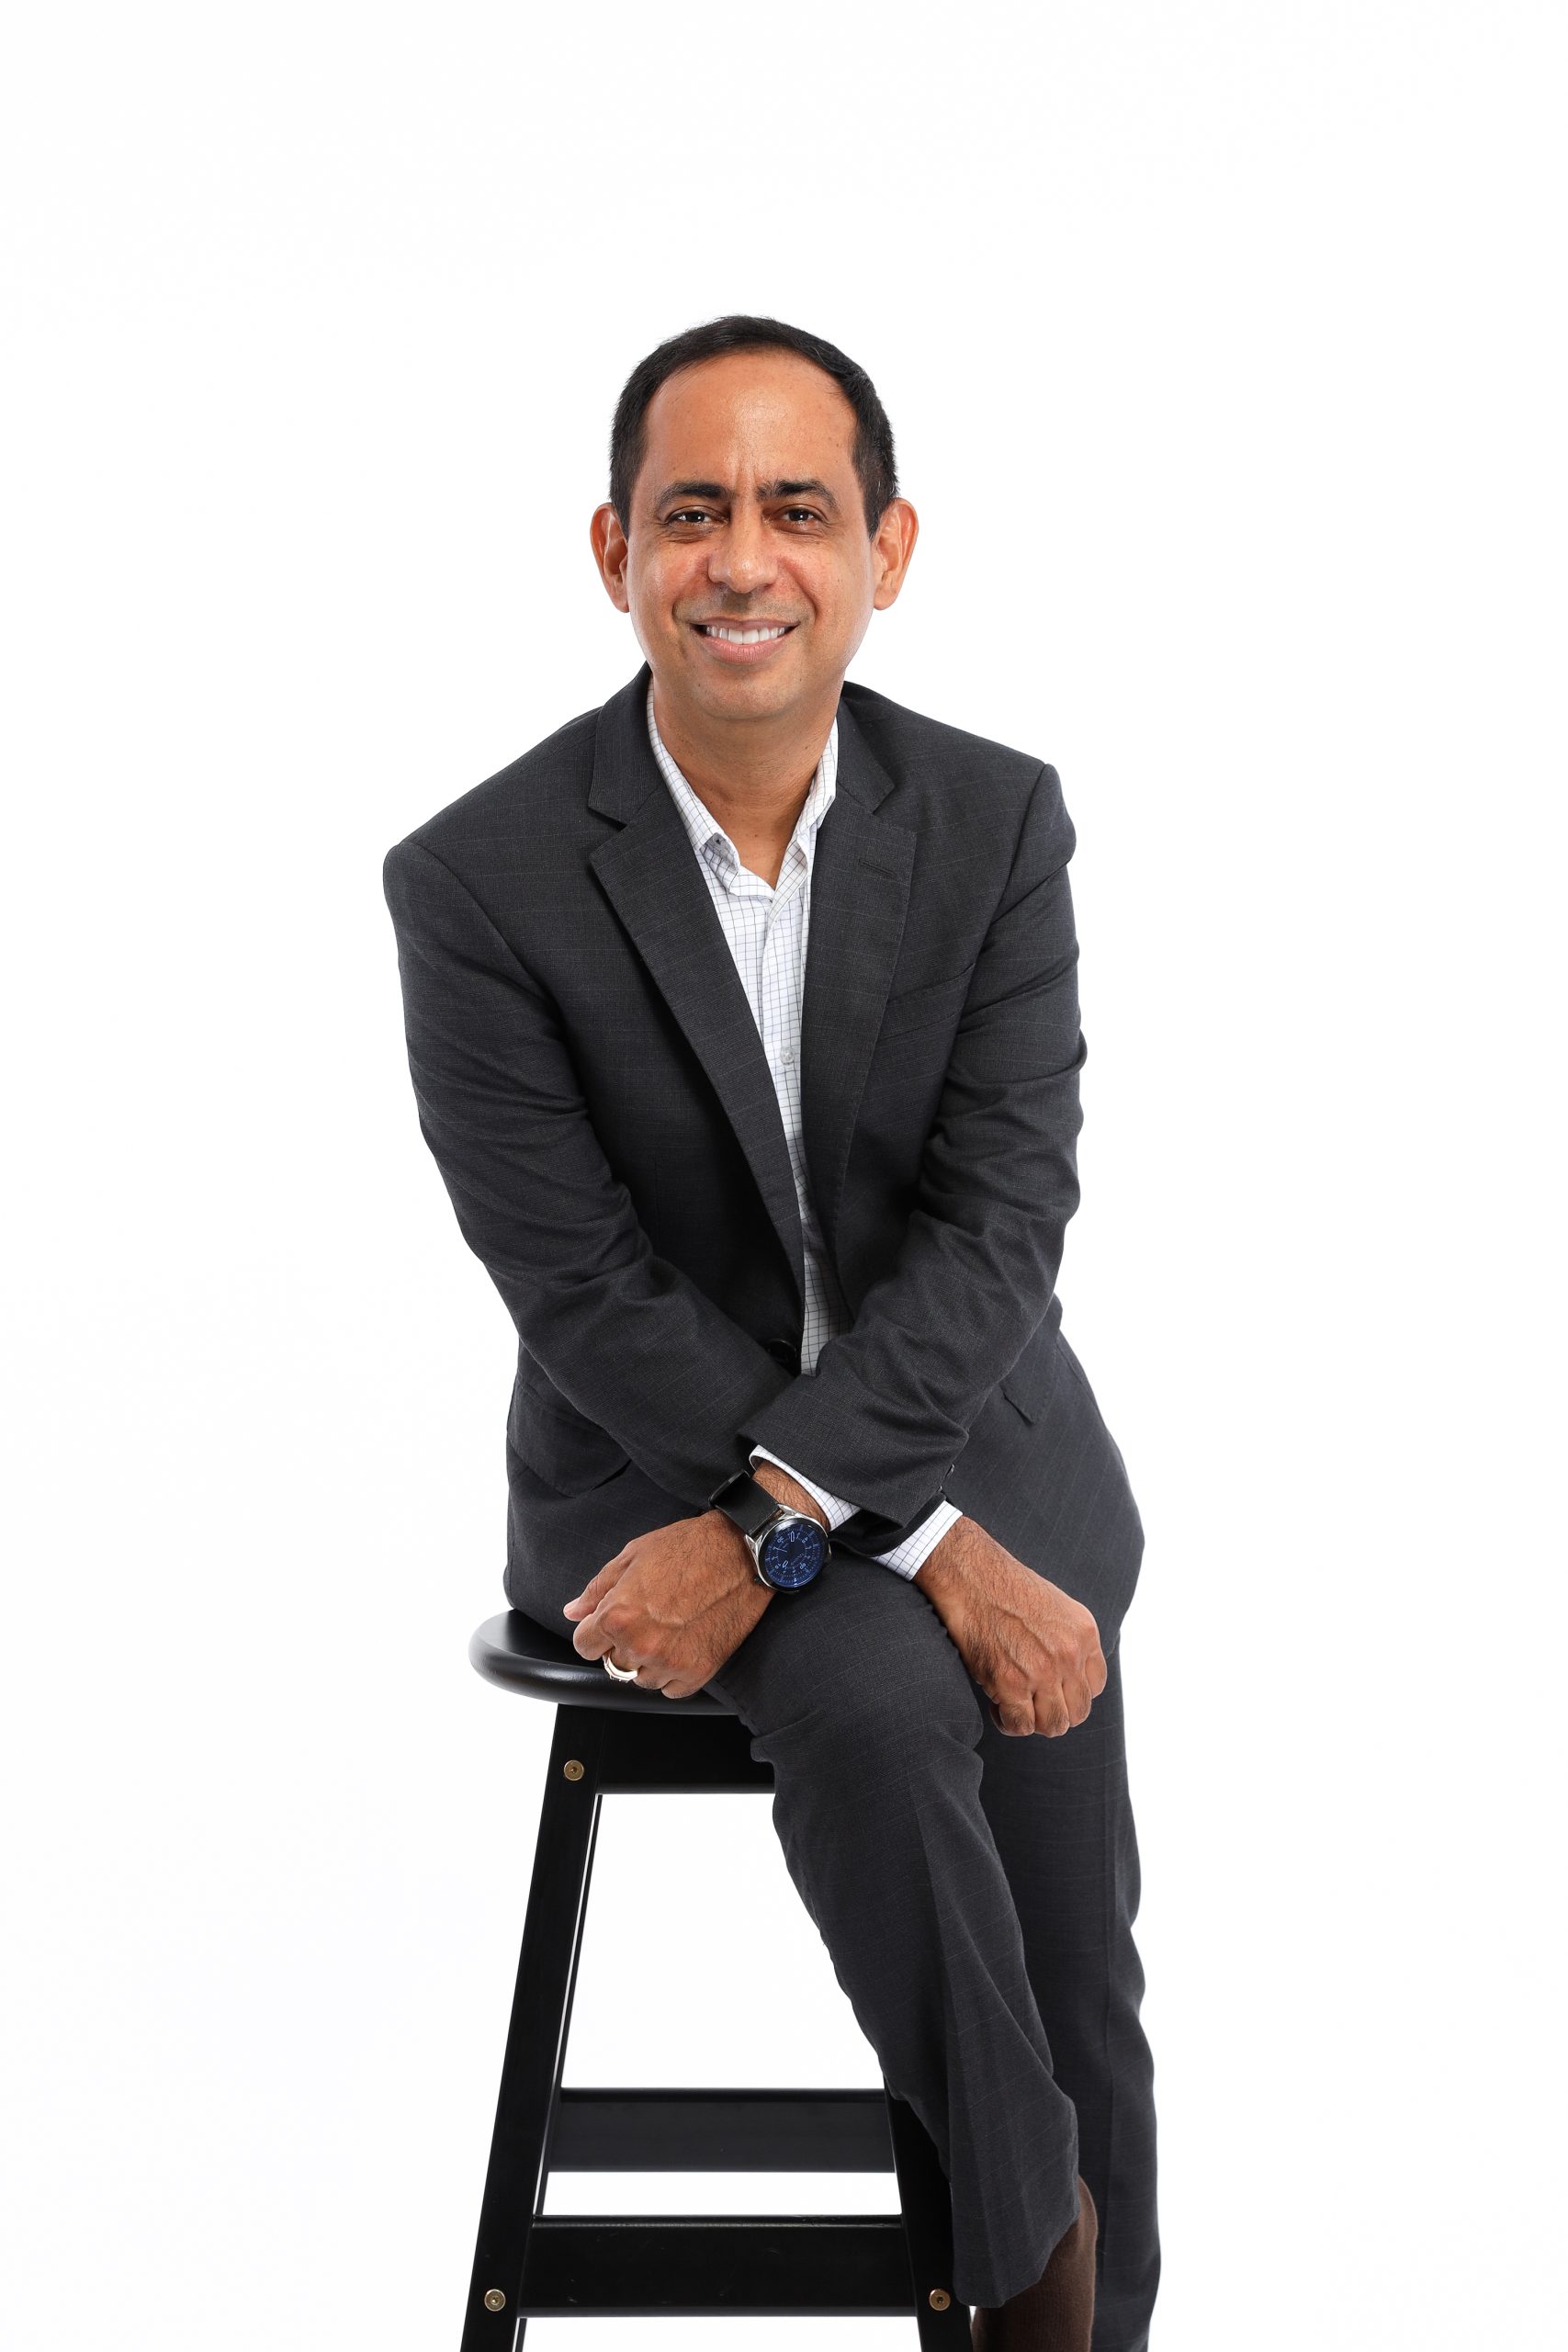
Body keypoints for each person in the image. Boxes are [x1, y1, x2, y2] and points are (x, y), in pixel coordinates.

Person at [382, 313, 1157, 2350]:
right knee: (889, 1700)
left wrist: (830, 1515)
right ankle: (1037, 2264)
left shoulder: (993, 822)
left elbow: (1001, 1227)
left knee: (1074, 1969)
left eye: (797, 509)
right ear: (613, 551)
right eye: (691, 512)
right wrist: (897, 1543)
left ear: (884, 548)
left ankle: (1082, 2279)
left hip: (986, 1456)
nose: (743, 560)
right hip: (653, 1481)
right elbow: (580, 1284)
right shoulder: (477, 879)